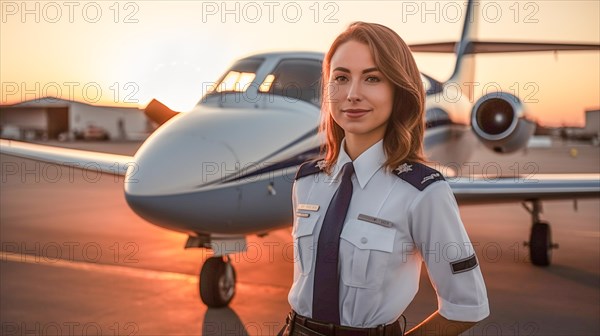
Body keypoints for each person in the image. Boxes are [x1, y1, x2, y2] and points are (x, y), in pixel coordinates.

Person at [279, 22, 489, 336]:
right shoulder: (307, 181)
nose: (352, 94)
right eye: (341, 78)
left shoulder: (422, 192)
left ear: (398, 90)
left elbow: (467, 306)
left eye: (372, 78)